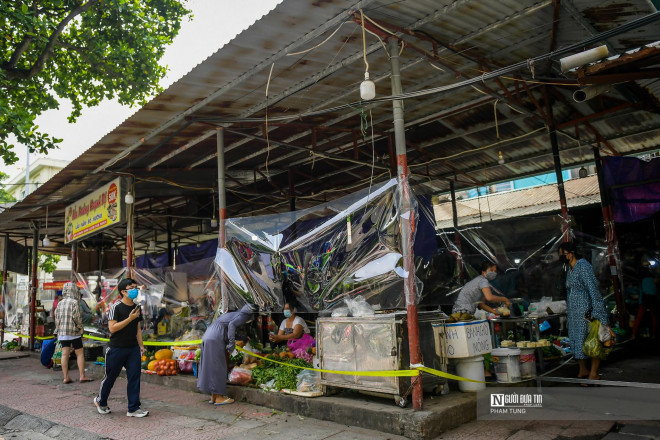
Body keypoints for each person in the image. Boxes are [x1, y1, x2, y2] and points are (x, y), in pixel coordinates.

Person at [94, 278, 148, 417]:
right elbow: (112, 328)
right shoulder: (115, 307)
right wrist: (129, 318)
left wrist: (141, 345)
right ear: (124, 291)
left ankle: (133, 408)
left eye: (136, 287)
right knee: (110, 377)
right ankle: (101, 401)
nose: (135, 290)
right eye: (132, 288)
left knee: (134, 376)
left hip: (133, 348)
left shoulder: (137, 307)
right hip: (116, 348)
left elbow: (138, 329)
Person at [559, 242, 610, 382]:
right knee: (579, 341)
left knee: (593, 341)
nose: (561, 257)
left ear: (571, 253)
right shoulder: (570, 269)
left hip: (587, 313)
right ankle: (583, 370)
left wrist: (599, 313)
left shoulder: (583, 266)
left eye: (562, 254)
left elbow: (593, 290)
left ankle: (593, 373)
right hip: (575, 314)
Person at [197, 303, 256, 405]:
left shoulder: (234, 314)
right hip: (216, 338)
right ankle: (220, 397)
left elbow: (228, 328)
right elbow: (231, 325)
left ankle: (214, 396)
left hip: (209, 335)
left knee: (212, 366)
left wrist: (242, 338)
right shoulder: (244, 315)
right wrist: (232, 344)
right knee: (219, 366)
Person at [55, 282, 93, 384]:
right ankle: (82, 376)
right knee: (79, 353)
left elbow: (57, 319)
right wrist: (81, 328)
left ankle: (66, 377)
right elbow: (77, 318)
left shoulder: (60, 303)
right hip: (74, 332)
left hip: (62, 332)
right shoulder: (74, 303)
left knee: (64, 354)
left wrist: (58, 329)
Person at [632, 268, 658, 339]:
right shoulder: (654, 280)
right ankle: (654, 334)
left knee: (639, 317)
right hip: (653, 300)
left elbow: (641, 292)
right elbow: (656, 291)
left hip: (645, 300)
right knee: (654, 317)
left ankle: (633, 335)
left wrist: (640, 302)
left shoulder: (642, 281)